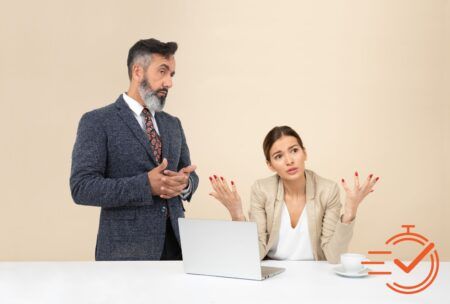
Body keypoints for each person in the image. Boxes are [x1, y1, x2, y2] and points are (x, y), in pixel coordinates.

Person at [70, 38, 199, 261]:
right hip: (125, 252)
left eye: (172, 74)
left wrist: (185, 183)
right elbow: (82, 187)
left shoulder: (173, 123)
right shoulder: (98, 121)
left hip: (178, 248)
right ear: (138, 71)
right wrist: (145, 185)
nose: (169, 83)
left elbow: (188, 173)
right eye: (163, 72)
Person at [209, 126, 379, 263]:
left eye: (294, 150)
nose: (289, 160)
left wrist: (350, 212)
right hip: (273, 276)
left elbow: (334, 256)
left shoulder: (327, 190)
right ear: (270, 165)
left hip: (316, 276)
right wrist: (236, 214)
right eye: (278, 156)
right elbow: (254, 253)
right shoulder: (262, 190)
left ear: (305, 153)